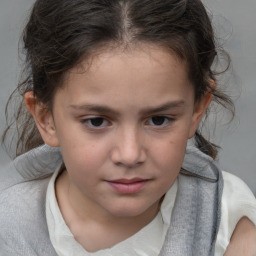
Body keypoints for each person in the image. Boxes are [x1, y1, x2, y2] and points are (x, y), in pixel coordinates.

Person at [0, 0, 256, 255]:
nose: (130, 154)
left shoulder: (226, 223)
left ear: (197, 109)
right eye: (97, 121)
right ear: (46, 118)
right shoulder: (9, 228)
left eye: (159, 120)